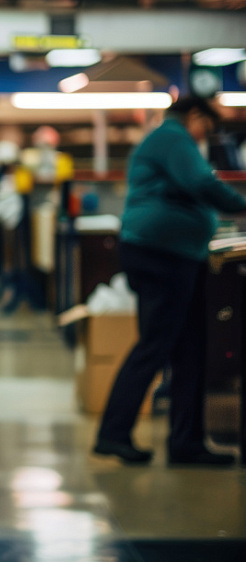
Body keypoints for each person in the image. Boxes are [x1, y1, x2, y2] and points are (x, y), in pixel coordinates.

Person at [93, 96, 246, 466]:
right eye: (207, 128)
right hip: (162, 254)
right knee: (156, 345)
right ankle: (113, 433)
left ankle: (187, 441)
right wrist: (240, 204)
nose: (205, 137)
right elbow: (199, 182)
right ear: (194, 116)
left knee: (190, 349)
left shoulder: (166, 137)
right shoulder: (174, 137)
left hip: (175, 254)